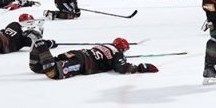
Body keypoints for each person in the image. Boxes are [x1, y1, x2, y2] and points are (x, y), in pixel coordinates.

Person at [29, 37, 158, 79]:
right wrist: (142, 67)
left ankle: (37, 50)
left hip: (76, 53)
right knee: (53, 72)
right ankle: (40, 44)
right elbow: (122, 68)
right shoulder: (117, 54)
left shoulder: (103, 46)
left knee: (38, 67)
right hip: (81, 62)